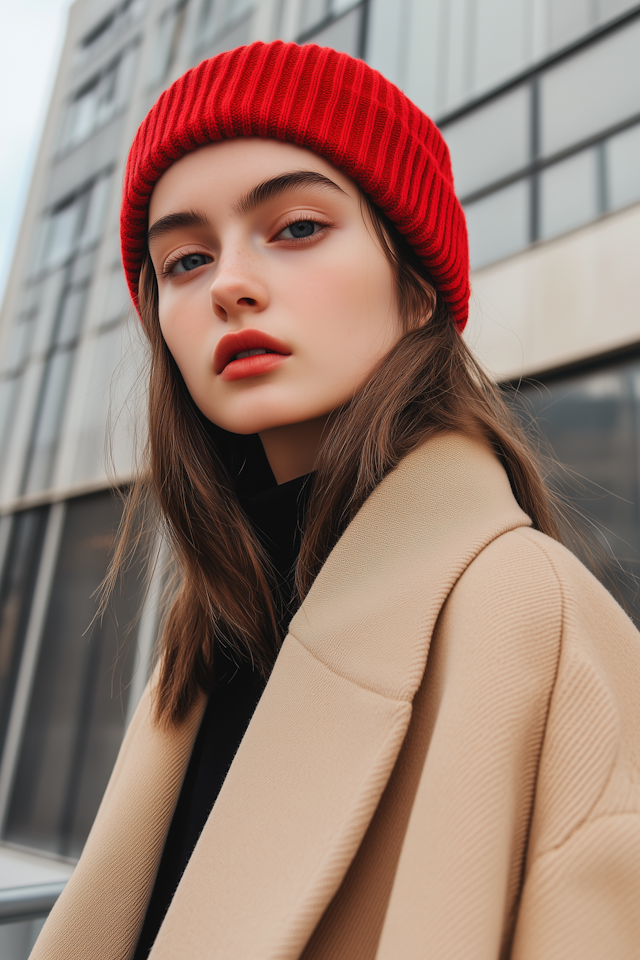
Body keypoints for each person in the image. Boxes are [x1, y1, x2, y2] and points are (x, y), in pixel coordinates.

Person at [31, 41, 640, 960]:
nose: (229, 284)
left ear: (418, 288)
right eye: (186, 260)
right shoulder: (206, 633)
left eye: (297, 227)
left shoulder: (535, 616)